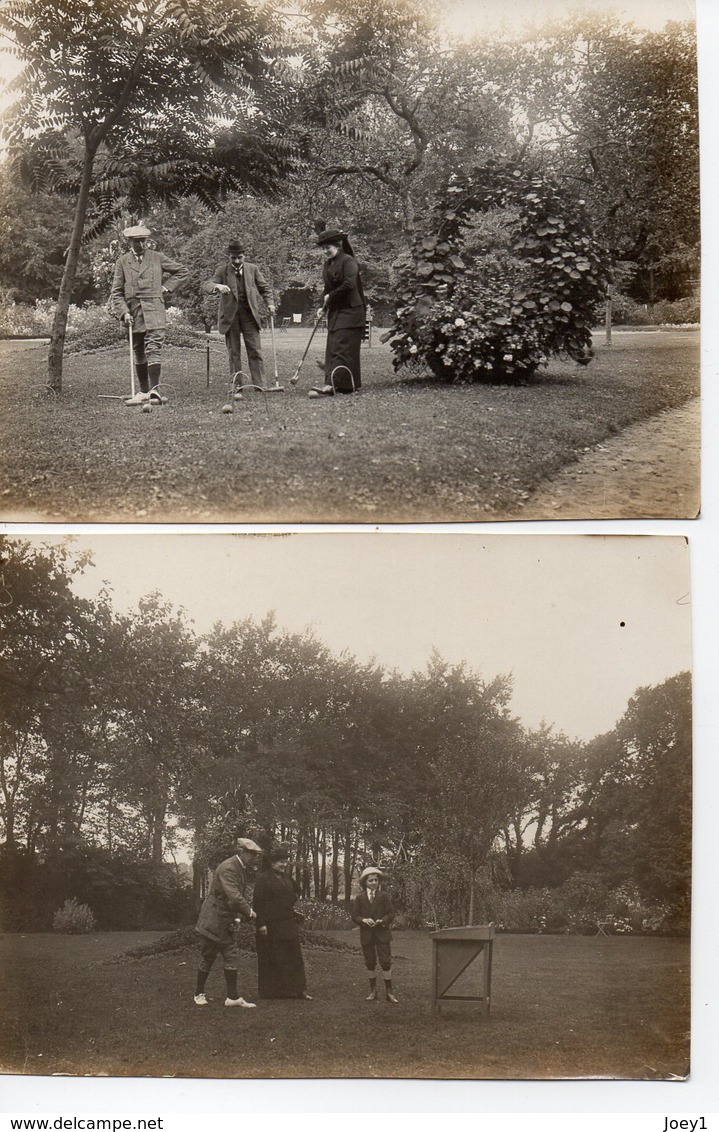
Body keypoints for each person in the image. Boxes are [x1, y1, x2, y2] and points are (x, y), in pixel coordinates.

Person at [109, 224, 190, 406]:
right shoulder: (122, 262)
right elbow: (116, 292)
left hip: (154, 309)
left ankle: (155, 391)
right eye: (136, 242)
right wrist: (123, 312)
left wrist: (167, 287)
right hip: (134, 312)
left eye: (143, 241)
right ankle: (144, 391)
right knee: (139, 350)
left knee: (153, 347)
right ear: (129, 242)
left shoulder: (157, 258)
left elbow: (183, 272)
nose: (141, 245)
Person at [194, 836, 263, 1008]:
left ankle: (232, 998)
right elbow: (234, 895)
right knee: (208, 956)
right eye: (253, 854)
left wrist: (238, 917)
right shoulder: (228, 868)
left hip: (227, 920)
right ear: (242, 852)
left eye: (257, 855)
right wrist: (250, 912)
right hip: (214, 919)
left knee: (231, 955)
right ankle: (198, 993)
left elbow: (234, 898)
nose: (256, 858)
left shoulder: (241, 867)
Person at [203, 240, 276, 395]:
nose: (236, 261)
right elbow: (207, 285)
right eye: (233, 258)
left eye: (240, 258)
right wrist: (218, 286)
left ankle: (260, 384)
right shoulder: (223, 271)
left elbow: (265, 288)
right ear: (229, 257)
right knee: (234, 352)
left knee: (255, 350)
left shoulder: (253, 269)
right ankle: (237, 385)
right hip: (231, 318)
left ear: (244, 256)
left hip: (250, 316)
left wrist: (270, 303)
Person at [309, 228, 366, 398]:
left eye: (328, 247)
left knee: (343, 347)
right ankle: (336, 383)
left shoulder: (348, 261)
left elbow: (349, 284)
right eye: (323, 248)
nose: (325, 250)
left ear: (338, 245)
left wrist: (330, 296)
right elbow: (328, 288)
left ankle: (338, 385)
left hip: (351, 311)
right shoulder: (328, 264)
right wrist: (323, 306)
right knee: (332, 346)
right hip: (337, 312)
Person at [252, 844, 312, 1001]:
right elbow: (258, 903)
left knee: (293, 956)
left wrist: (293, 908)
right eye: (281, 862)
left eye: (286, 862)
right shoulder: (263, 879)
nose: (284, 865)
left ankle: (298, 990)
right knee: (272, 957)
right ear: (272, 863)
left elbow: (295, 893)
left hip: (287, 923)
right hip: (270, 925)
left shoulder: (287, 878)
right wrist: (261, 924)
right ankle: (271, 992)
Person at [351, 866, 398, 1003]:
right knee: (370, 962)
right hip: (367, 935)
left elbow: (390, 913)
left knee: (385, 962)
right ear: (365, 882)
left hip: (382, 933)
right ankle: (373, 991)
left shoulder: (384, 896)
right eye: (370, 880)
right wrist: (364, 920)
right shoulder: (360, 898)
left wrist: (382, 921)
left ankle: (389, 992)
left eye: (376, 880)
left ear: (379, 882)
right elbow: (354, 916)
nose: (373, 883)